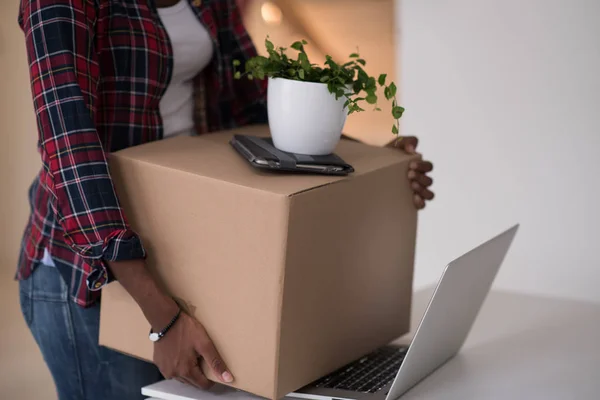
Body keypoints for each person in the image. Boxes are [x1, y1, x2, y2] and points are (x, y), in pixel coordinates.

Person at [15, 0, 435, 399]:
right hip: (94, 269)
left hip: (182, 253)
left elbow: (250, 102)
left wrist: (373, 163)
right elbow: (70, 145)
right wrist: (165, 321)